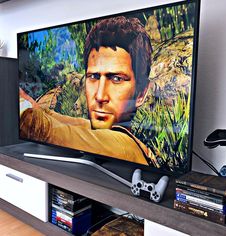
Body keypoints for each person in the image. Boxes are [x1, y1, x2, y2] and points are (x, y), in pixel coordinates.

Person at [20, 16, 159, 167]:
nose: (100, 96)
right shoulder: (109, 133)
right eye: (93, 77)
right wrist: (35, 107)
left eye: (117, 79)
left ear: (141, 93)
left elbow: (42, 129)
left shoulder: (125, 147)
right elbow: (76, 124)